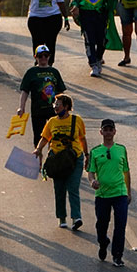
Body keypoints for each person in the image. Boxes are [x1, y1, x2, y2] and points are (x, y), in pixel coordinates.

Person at [34, 94, 88, 229]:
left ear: (67, 106)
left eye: (58, 104)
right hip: (57, 160)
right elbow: (45, 138)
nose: (55, 107)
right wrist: (38, 149)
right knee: (59, 189)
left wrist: (87, 154)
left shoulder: (77, 120)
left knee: (73, 187)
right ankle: (61, 218)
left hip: (74, 158)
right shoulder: (51, 122)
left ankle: (76, 217)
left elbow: (82, 139)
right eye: (54, 104)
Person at [87, 119, 131, 267]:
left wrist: (128, 192)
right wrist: (92, 181)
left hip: (120, 193)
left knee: (120, 225)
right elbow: (91, 172)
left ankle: (117, 255)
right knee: (101, 225)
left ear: (114, 132)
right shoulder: (95, 152)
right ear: (101, 132)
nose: (108, 132)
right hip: (103, 195)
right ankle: (103, 242)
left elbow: (126, 172)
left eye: (110, 130)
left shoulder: (121, 149)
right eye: (105, 130)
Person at [18, 0, 69, 64]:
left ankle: (49, 64)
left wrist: (66, 18)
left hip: (53, 17)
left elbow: (61, 2)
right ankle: (39, 63)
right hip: (36, 17)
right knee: (38, 42)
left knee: (50, 42)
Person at [18, 45, 67, 147]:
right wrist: (21, 107)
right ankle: (38, 161)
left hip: (54, 111)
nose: (43, 58)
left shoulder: (54, 72)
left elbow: (61, 92)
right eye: (40, 56)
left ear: (49, 56)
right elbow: (25, 91)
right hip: (38, 111)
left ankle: (51, 160)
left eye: (46, 55)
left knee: (54, 138)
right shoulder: (31, 72)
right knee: (38, 138)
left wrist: (65, 108)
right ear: (35, 57)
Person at [69, 0, 110, 77]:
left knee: (102, 40)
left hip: (100, 15)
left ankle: (98, 58)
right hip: (86, 15)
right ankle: (93, 64)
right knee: (89, 40)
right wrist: (75, 7)